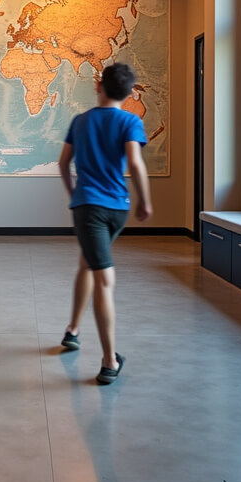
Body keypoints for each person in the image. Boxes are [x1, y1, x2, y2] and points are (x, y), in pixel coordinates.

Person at [58, 62, 152, 384]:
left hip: (89, 209)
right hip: (118, 210)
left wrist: (74, 192)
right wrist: (145, 200)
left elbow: (63, 162)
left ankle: (108, 360)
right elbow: (135, 164)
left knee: (100, 275)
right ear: (129, 93)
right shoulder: (130, 121)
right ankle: (76, 332)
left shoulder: (81, 121)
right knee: (92, 266)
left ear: (99, 85)